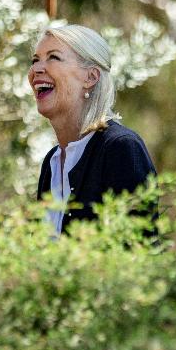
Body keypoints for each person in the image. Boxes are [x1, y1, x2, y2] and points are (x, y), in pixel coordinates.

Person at [29, 23, 156, 235]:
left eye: (53, 57)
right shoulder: (51, 162)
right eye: (35, 60)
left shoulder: (121, 148)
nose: (36, 69)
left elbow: (136, 251)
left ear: (91, 77)